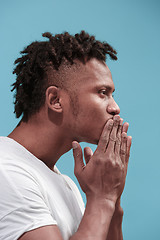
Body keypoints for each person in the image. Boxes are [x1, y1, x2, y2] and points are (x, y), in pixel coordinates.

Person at [0, 31, 132, 240]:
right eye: (102, 92)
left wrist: (112, 199)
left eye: (112, 94)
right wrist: (102, 199)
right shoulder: (5, 171)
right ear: (55, 100)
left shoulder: (66, 184)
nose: (115, 107)